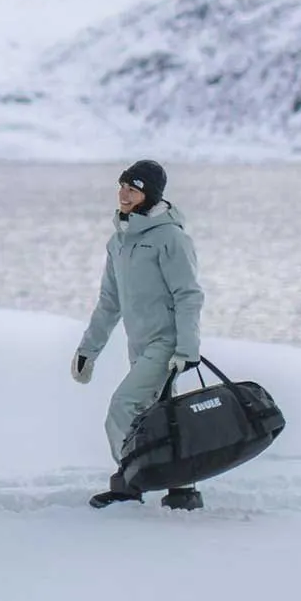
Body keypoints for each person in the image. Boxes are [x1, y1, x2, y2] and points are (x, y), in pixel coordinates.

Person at [71, 160, 206, 510]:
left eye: (132, 189)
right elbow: (109, 302)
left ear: (151, 195)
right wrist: (88, 351)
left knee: (124, 406)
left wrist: (187, 349)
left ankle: (131, 480)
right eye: (122, 186)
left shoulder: (171, 238)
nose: (123, 194)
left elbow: (188, 295)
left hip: (166, 345)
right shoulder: (118, 242)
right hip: (139, 345)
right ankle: (182, 489)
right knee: (160, 414)